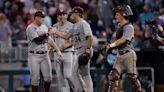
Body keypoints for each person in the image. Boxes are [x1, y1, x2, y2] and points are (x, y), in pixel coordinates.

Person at [100, 5, 142, 92]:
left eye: (117, 14)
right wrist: (108, 45)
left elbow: (123, 40)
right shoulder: (119, 26)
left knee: (132, 77)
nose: (115, 16)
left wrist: (110, 46)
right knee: (113, 76)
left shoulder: (129, 27)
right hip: (119, 54)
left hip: (128, 54)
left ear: (124, 14)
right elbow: (117, 40)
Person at [53, 6, 94, 92]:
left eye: (73, 14)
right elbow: (66, 36)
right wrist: (55, 32)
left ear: (77, 14)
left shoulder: (83, 23)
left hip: (84, 49)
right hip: (77, 51)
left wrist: (87, 49)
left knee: (85, 74)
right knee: (73, 73)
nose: (71, 15)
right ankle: (81, 89)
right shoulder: (75, 25)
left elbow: (90, 37)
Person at [26, 10, 62, 92]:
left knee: (48, 77)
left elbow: (49, 40)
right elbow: (37, 40)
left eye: (43, 17)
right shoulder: (30, 28)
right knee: (35, 78)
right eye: (40, 17)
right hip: (34, 55)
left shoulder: (44, 27)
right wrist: (49, 33)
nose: (42, 19)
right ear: (36, 18)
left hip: (45, 55)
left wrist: (57, 50)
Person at [51, 9, 75, 92]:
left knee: (68, 75)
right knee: (60, 78)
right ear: (57, 16)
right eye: (60, 15)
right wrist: (49, 49)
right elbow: (52, 40)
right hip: (57, 53)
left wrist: (68, 44)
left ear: (67, 15)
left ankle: (77, 89)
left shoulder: (72, 26)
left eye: (63, 14)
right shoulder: (55, 26)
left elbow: (75, 41)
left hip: (68, 52)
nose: (62, 16)